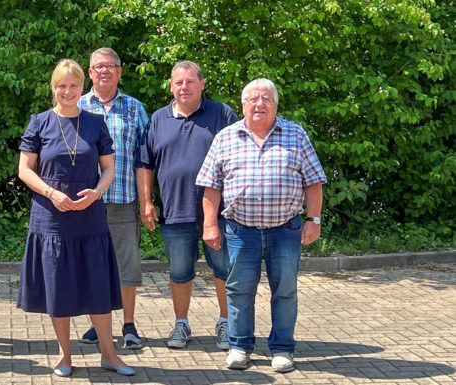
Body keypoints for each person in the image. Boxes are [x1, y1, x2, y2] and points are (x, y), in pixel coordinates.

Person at [197, 78, 326, 373]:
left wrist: (313, 220)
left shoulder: (295, 134)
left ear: (276, 104)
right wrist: (210, 225)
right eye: (253, 99)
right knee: (239, 291)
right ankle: (240, 347)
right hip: (240, 231)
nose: (259, 104)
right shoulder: (225, 137)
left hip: (285, 230)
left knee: (285, 291)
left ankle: (282, 349)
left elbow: (314, 181)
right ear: (243, 104)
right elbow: (211, 186)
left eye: (266, 99)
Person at [17, 59, 134, 377]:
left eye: (73, 85)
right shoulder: (39, 122)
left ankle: (109, 354)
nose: (67, 91)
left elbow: (108, 168)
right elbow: (24, 170)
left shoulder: (95, 123)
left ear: (82, 87)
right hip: (51, 218)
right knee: (59, 287)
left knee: (97, 286)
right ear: (53, 88)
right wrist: (51, 193)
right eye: (61, 86)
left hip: (89, 216)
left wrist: (96, 192)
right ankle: (64, 355)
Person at [137, 61, 238, 350]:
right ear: (171, 86)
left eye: (191, 81)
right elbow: (144, 164)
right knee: (180, 272)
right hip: (175, 210)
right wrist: (146, 202)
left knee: (225, 269)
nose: (184, 87)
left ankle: (226, 324)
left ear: (202, 84)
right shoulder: (158, 119)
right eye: (179, 82)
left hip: (219, 212)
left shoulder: (222, 114)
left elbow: (239, 155)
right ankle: (181, 324)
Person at [77, 47, 150, 350]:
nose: (104, 71)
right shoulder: (77, 105)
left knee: (126, 265)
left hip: (123, 198)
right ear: (90, 73)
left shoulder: (134, 108)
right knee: (91, 264)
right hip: (84, 202)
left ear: (119, 71)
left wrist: (146, 201)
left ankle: (128, 324)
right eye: (98, 66)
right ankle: (98, 323)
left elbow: (144, 159)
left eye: (110, 66)